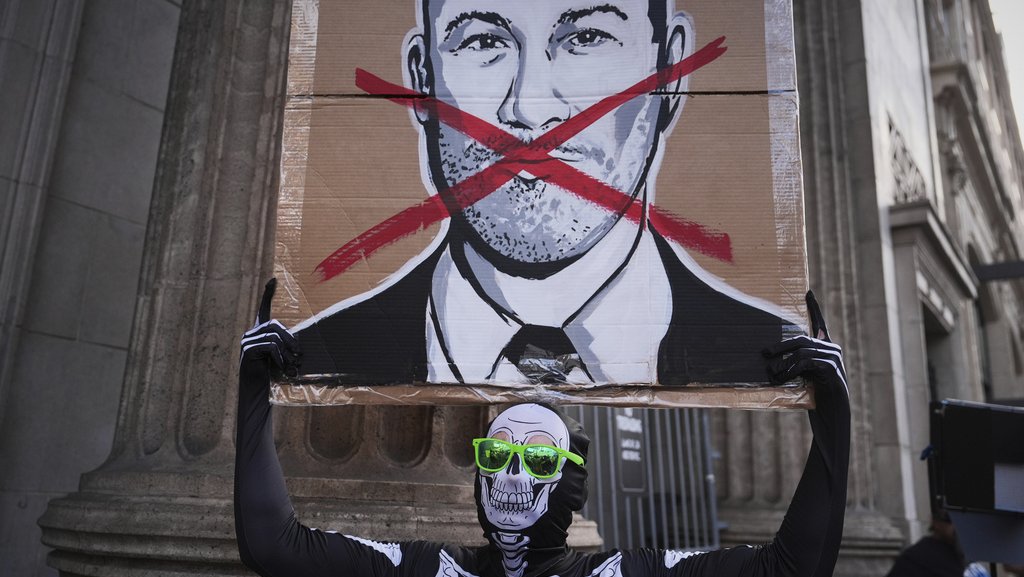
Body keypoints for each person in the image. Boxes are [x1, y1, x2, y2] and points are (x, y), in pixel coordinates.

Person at [292, 0, 801, 387]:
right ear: (423, 80)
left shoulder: (769, 358)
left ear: (668, 72)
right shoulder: (314, 359)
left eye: (587, 37)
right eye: (482, 41)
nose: (529, 110)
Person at [236, 280, 850, 577]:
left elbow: (790, 570)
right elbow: (274, 547)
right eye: (497, 454)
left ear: (571, 484)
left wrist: (832, 415)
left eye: (537, 459)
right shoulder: (428, 567)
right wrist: (255, 391)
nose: (510, 474)